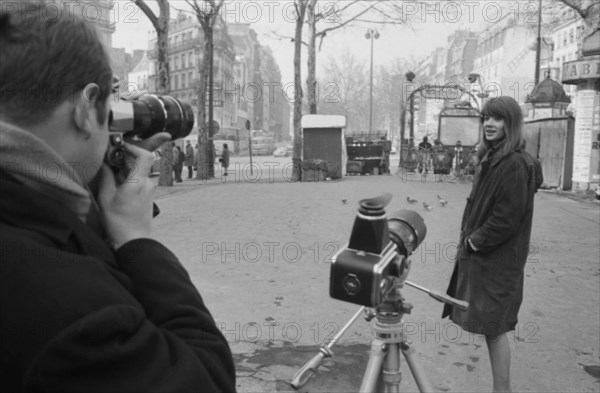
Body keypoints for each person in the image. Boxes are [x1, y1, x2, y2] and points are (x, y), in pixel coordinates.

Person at [0, 4, 235, 391]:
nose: (117, 115)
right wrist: (136, 239)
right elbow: (206, 379)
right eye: (112, 102)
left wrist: (89, 169)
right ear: (84, 108)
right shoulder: (68, 312)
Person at [442, 96, 543, 393]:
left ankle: (503, 390)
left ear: (510, 124)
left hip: (498, 260)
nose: (489, 123)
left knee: (495, 328)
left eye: (497, 119)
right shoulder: (494, 157)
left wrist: (474, 241)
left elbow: (507, 218)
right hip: (489, 259)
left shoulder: (513, 164)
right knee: (491, 327)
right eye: (486, 117)